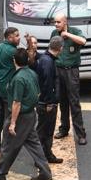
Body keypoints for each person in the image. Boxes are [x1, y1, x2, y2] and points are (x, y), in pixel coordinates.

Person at [0, 49, 52, 180]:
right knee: (34, 144)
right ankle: (45, 172)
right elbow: (38, 93)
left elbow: (16, 103)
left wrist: (13, 123)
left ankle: (0, 174)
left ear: (14, 61)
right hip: (31, 114)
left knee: (7, 146)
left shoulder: (18, 78)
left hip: (20, 117)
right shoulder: (32, 73)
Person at [52, 14, 88, 145]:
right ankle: (64, 128)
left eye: (58, 22)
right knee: (62, 102)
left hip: (71, 71)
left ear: (65, 22)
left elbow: (83, 41)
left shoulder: (75, 31)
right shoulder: (54, 33)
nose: (56, 25)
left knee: (74, 102)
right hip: (58, 70)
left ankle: (80, 134)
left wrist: (68, 35)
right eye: (55, 22)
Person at [33, 36, 63, 164]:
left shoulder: (45, 58)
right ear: (60, 48)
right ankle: (41, 157)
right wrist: (49, 102)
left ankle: (46, 154)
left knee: (44, 130)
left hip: (44, 101)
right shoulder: (48, 62)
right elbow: (47, 83)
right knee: (45, 131)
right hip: (46, 103)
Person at [0, 27, 20, 152]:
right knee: (8, 117)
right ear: (10, 37)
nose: (19, 38)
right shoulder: (13, 51)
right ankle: (6, 145)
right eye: (17, 36)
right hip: (8, 88)